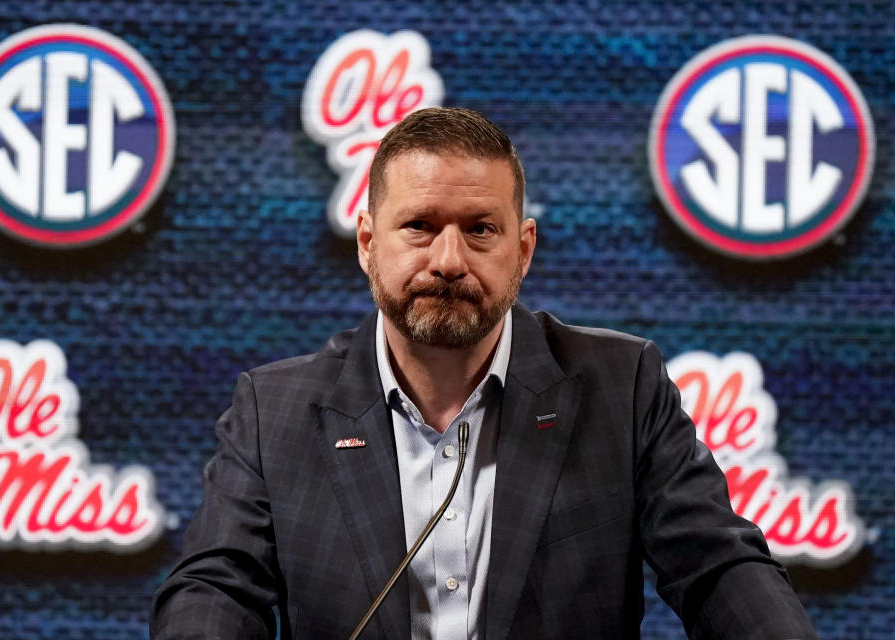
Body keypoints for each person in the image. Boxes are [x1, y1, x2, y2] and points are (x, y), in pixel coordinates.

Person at [150, 107, 817, 639]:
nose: (447, 259)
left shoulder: (622, 385)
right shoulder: (276, 410)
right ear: (367, 244)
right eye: (418, 226)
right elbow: (216, 589)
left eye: (479, 230)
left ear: (522, 249)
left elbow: (717, 569)